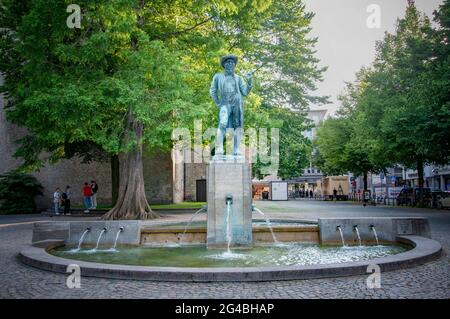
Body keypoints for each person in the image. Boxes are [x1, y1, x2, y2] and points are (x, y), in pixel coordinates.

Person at [210, 54, 253, 156]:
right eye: (228, 62)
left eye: (232, 63)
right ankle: (219, 147)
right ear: (224, 65)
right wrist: (218, 103)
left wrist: (250, 80)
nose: (230, 64)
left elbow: (245, 92)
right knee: (223, 123)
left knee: (237, 126)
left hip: (237, 103)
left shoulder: (239, 78)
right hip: (224, 103)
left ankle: (236, 149)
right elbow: (213, 90)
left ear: (234, 65)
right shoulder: (218, 76)